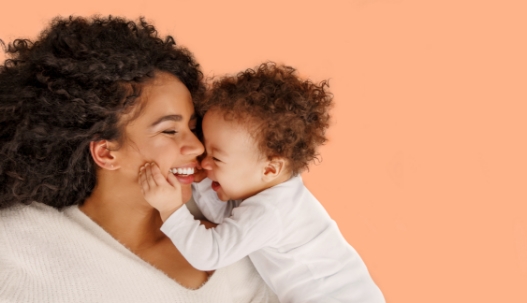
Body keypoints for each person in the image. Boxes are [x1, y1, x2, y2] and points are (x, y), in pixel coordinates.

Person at [0, 16, 279, 302]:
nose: (195, 146)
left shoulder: (234, 229)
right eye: (170, 130)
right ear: (106, 153)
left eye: (192, 127)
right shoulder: (19, 244)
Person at [139, 63, 386, 302]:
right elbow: (227, 223)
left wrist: (170, 209)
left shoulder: (271, 210)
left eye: (216, 157)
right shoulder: (269, 189)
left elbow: (211, 253)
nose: (204, 162)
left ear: (270, 168)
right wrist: (200, 180)